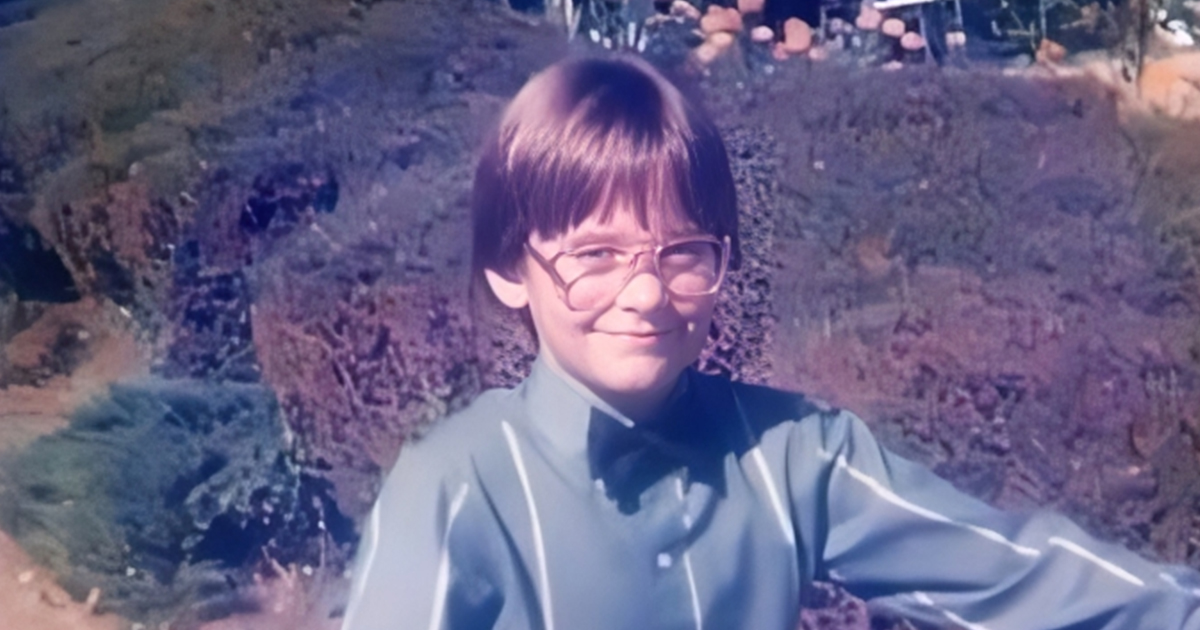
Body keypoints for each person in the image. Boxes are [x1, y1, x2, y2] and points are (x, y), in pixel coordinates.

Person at [341, 54, 1200, 630]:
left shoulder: (792, 454)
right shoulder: (454, 491)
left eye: (683, 253)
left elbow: (1021, 577)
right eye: (594, 256)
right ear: (507, 269)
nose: (646, 294)